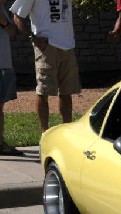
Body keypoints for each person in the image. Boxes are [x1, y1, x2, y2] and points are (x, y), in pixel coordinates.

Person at [10, 0, 81, 134]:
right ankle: (45, 132)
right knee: (43, 91)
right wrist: (34, 38)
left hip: (68, 45)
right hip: (46, 46)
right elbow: (17, 15)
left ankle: (67, 131)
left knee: (67, 92)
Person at [0, 0, 22, 155]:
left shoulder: (2, 9)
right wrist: (6, 25)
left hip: (4, 64)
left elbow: (13, 31)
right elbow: (11, 30)